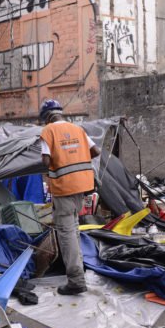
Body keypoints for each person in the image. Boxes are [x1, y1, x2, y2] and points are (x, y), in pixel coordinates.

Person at [39, 99, 100, 295]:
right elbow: (96, 151)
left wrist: (48, 169)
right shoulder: (78, 129)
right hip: (82, 185)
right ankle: (78, 273)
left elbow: (45, 161)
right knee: (73, 228)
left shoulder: (48, 131)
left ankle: (76, 280)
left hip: (64, 188)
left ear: (46, 118)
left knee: (66, 234)